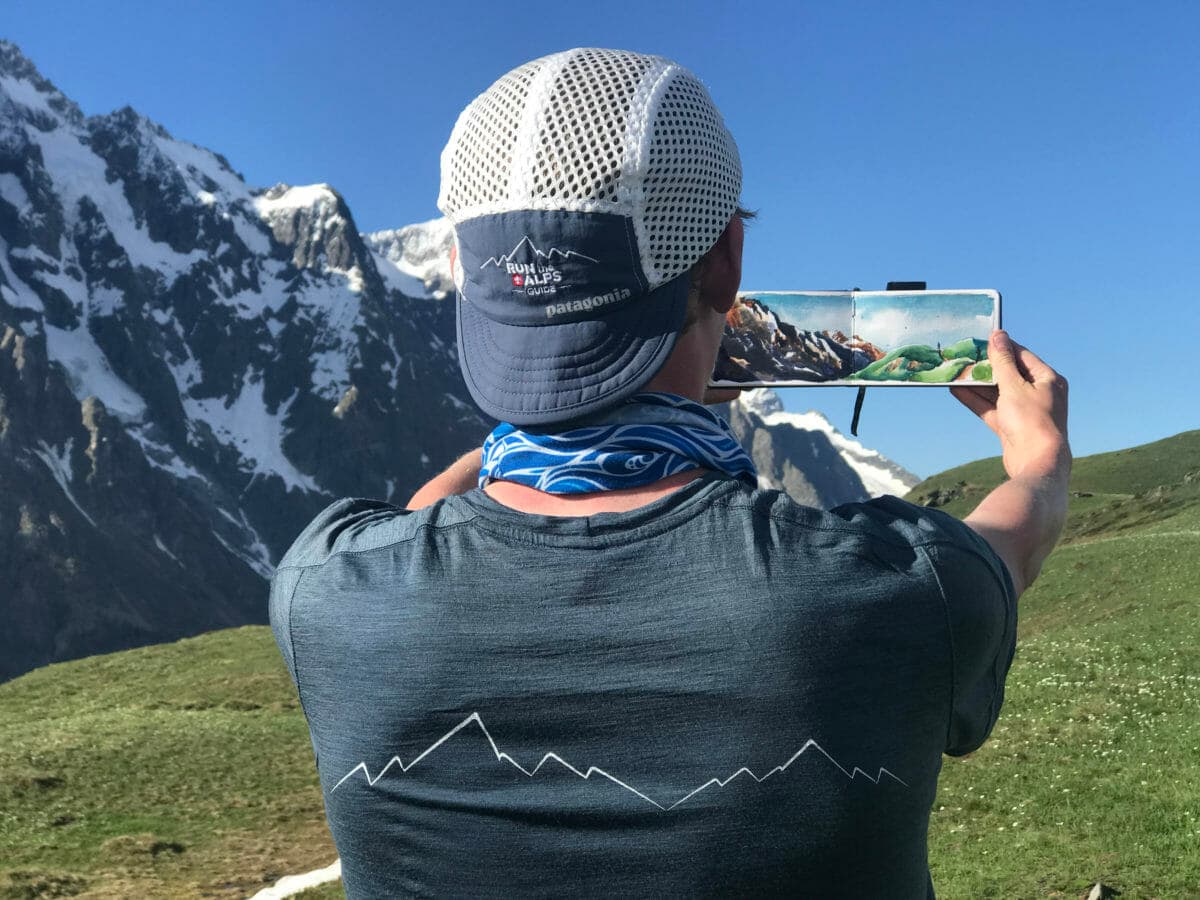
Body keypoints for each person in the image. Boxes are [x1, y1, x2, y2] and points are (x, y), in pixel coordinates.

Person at [270, 48, 1070, 899]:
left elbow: (420, 520)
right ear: (724, 262)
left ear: (466, 276)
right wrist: (1043, 458)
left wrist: (547, 415)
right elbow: (1010, 539)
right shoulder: (900, 590)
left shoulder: (324, 589)